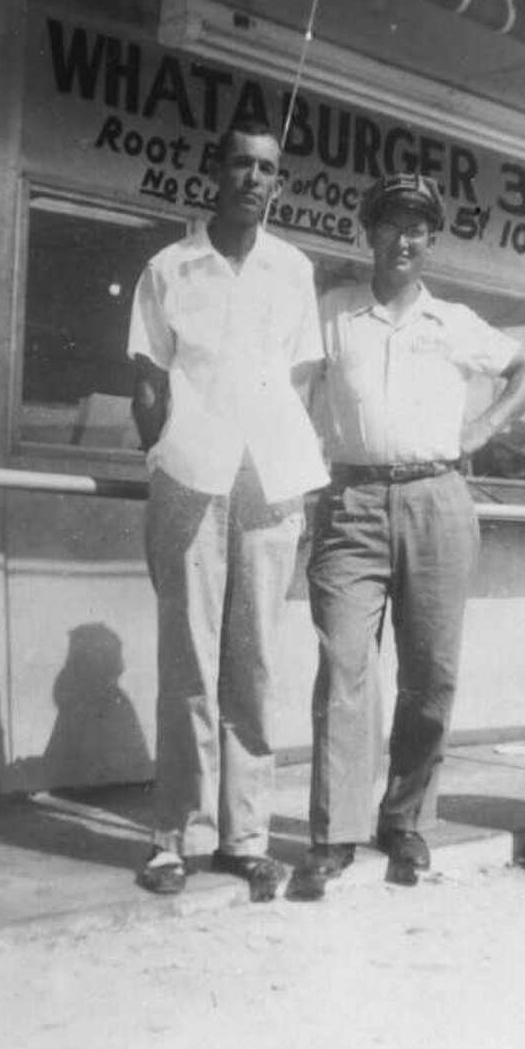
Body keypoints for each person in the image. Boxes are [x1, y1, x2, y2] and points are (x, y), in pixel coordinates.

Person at [291, 172, 525, 900]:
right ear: (368, 232)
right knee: (344, 664)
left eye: (417, 228)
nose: (403, 239)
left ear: (430, 240)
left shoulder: (454, 321)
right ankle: (334, 833)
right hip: (351, 502)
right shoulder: (332, 313)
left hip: (438, 499)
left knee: (430, 675)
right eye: (391, 224)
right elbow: (293, 392)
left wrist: (483, 427)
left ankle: (404, 820)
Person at [128, 125, 327, 901]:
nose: (253, 177)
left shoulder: (294, 269)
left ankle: (245, 839)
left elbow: (301, 379)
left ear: (279, 182)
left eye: (267, 167)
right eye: (241, 162)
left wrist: (282, 456)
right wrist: (166, 453)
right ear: (215, 170)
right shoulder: (169, 267)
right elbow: (149, 379)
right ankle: (176, 838)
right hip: (191, 480)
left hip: (268, 486)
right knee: (188, 662)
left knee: (254, 663)